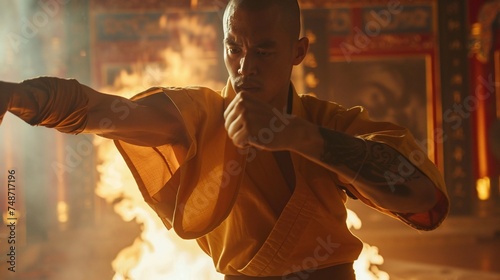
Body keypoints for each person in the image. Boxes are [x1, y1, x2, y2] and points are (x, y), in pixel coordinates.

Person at [0, 0, 449, 279]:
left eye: (266, 51)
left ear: (298, 51)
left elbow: (421, 194)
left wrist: (302, 138)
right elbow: (104, 111)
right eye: (234, 47)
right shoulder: (202, 116)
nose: (245, 66)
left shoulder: (327, 121)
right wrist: (19, 96)